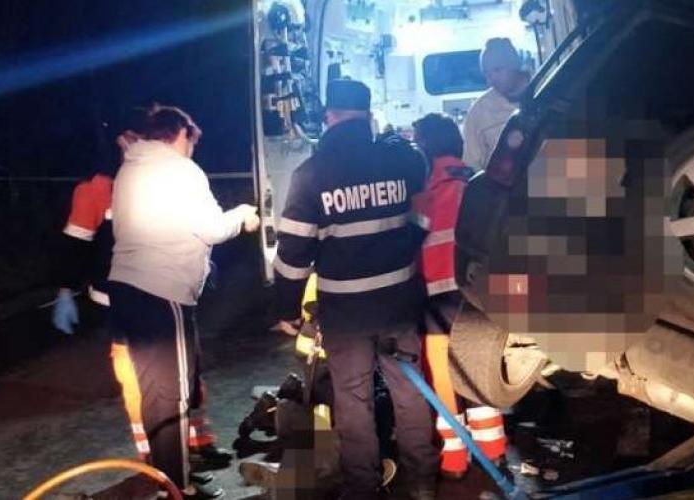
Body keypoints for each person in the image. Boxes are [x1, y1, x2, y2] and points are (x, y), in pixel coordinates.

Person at [273, 79, 438, 500]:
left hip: (346, 312)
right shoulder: (400, 160)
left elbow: (293, 255)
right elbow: (423, 212)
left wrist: (286, 310)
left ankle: (363, 486)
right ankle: (422, 480)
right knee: (409, 389)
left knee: (352, 398)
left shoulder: (311, 175)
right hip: (398, 301)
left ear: (329, 116)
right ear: (368, 115)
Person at [51, 124, 234, 480]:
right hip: (119, 298)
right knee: (143, 385)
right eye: (136, 139)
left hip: (166, 293)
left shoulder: (151, 180)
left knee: (187, 374)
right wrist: (64, 290)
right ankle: (159, 460)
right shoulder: (98, 188)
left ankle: (196, 445)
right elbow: (75, 245)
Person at [107, 104, 260, 500]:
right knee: (169, 396)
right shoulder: (179, 170)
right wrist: (242, 215)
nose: (193, 150)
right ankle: (176, 489)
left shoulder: (131, 168)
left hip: (128, 289)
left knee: (161, 390)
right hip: (162, 292)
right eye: (192, 142)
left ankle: (173, 476)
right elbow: (211, 229)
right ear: (181, 134)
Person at [412, 114, 508, 480]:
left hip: (437, 295)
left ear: (426, 146)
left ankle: (454, 457)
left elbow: (411, 242)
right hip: (479, 292)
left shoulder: (425, 189)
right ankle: (493, 450)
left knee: (442, 373)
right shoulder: (478, 181)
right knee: (476, 369)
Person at [463, 37, 529, 171]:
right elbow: (472, 165)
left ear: (515, 65)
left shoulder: (547, 93)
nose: (491, 80)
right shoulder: (479, 111)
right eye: (486, 74)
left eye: (497, 70)